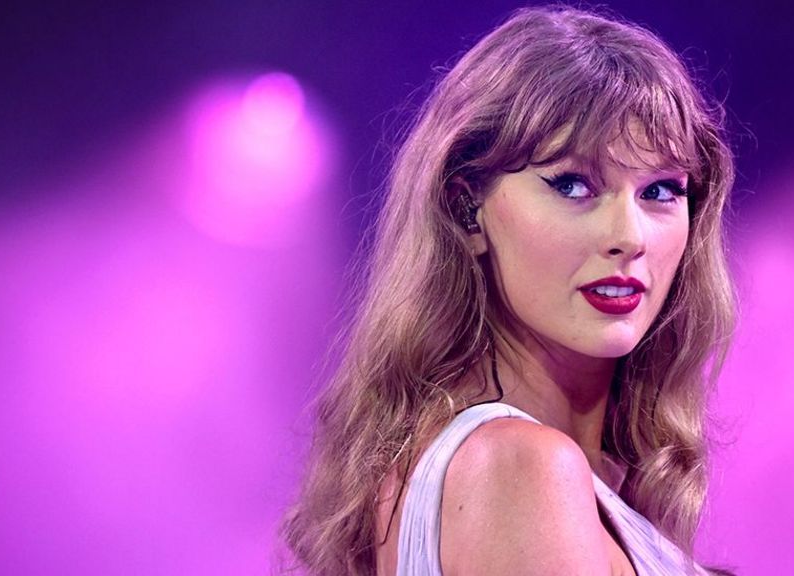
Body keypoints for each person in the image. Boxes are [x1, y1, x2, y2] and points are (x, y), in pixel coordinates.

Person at [283, 5, 735, 575]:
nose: (629, 236)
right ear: (466, 208)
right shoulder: (520, 469)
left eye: (662, 190)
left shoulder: (486, 464)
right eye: (573, 185)